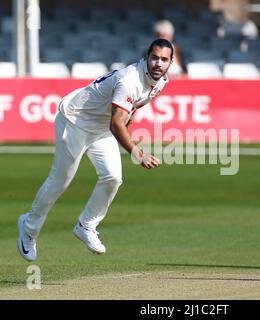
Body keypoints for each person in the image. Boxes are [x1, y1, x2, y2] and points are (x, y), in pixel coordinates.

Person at [17, 38, 173, 261]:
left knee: (113, 178)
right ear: (146, 57)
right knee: (61, 180)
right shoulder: (129, 80)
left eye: (164, 60)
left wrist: (127, 128)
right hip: (74, 119)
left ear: (171, 62)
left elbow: (131, 109)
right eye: (154, 57)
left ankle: (86, 226)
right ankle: (29, 227)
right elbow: (116, 124)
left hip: (100, 127)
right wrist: (137, 153)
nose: (158, 63)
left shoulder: (161, 82)